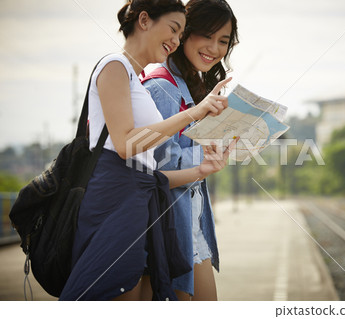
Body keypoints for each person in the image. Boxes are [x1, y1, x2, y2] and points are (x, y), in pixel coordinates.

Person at [59, 0, 236, 301]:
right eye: (174, 30)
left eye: (180, 34)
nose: (175, 41)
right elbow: (127, 146)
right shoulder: (117, 67)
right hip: (116, 204)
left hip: (139, 204)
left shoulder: (137, 81)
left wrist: (202, 169)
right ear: (144, 20)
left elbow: (148, 174)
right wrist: (195, 115)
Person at [142, 0, 239, 301]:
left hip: (191, 222)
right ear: (185, 33)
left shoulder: (191, 87)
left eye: (223, 41)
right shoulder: (161, 87)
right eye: (206, 36)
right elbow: (158, 166)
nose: (214, 48)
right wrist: (207, 155)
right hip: (168, 226)